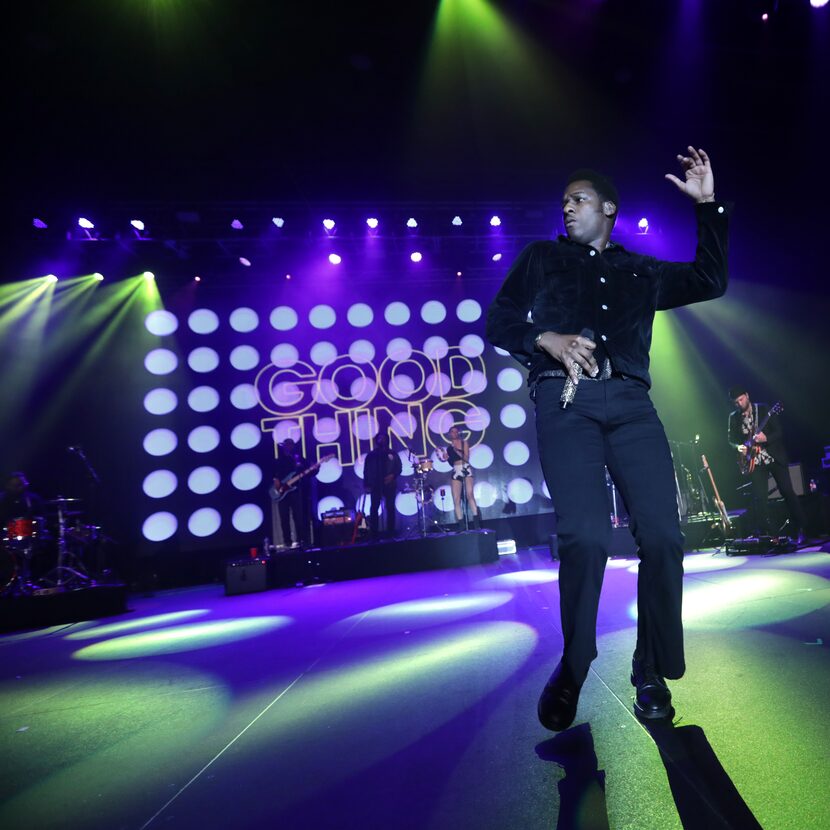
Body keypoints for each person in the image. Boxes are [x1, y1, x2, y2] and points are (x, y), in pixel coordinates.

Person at [486, 147, 729, 730]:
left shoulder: (639, 271)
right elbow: (498, 319)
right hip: (564, 402)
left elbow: (709, 280)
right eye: (564, 202)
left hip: (630, 404)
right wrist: (546, 338)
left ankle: (649, 667)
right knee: (587, 536)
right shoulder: (542, 258)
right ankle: (574, 664)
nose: (567, 209)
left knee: (665, 536)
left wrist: (708, 207)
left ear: (609, 209)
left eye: (579, 199)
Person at [728, 387, 806, 544]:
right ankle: (771, 535)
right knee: (760, 499)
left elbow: (779, 432)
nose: (739, 404)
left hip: (773, 457)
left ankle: (801, 528)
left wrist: (766, 438)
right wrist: (738, 447)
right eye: (736, 402)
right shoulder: (734, 417)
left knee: (787, 492)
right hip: (754, 462)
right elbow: (730, 439)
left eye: (741, 400)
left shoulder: (763, 409)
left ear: (747, 396)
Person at [437, 426, 482, 529]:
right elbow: (451, 463)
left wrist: (457, 451)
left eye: (455, 432)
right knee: (456, 499)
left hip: (465, 468)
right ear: (449, 434)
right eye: (452, 432)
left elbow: (466, 458)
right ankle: (461, 525)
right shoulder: (448, 448)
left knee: (470, 495)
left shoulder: (463, 443)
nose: (454, 433)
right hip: (456, 470)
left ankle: (477, 524)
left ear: (458, 433)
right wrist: (447, 458)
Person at [272, 438, 310, 549]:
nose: (289, 447)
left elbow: (308, 470)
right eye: (286, 445)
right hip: (283, 492)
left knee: (298, 516)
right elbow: (275, 475)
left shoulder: (298, 458)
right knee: (284, 517)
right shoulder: (279, 460)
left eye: (290, 445)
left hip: (295, 490)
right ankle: (287, 542)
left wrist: (315, 468)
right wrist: (277, 482)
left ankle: (301, 540)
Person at [363, 433, 402, 538]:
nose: (382, 440)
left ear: (387, 440)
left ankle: (391, 532)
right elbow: (366, 470)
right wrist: (367, 484)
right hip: (375, 485)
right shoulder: (371, 455)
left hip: (389, 484)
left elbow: (399, 467)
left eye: (384, 438)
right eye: (379, 438)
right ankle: (374, 533)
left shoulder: (392, 454)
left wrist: (392, 476)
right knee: (374, 508)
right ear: (376, 441)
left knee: (390, 508)